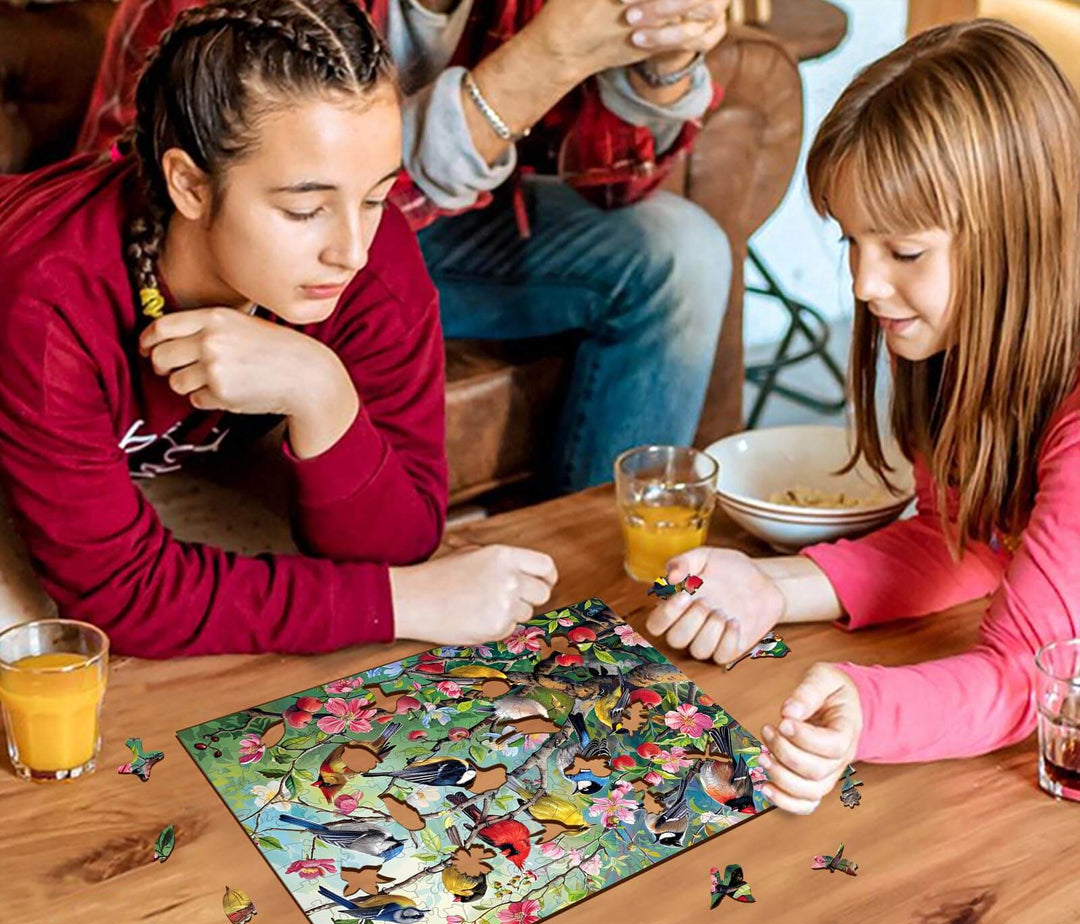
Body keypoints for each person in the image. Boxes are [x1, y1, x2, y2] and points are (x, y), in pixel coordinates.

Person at [0, 0, 557, 658]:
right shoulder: (49, 299)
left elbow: (402, 538)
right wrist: (407, 601)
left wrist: (321, 391)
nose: (351, 249)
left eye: (375, 197)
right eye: (305, 209)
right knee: (35, 653)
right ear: (189, 185)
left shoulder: (370, 256)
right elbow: (122, 598)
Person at [646, 19, 1080, 812]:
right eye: (852, 241)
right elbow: (965, 538)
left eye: (904, 252)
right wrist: (772, 588)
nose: (862, 283)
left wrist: (867, 709)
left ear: (1022, 237)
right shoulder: (965, 346)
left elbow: (1032, 673)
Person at [77, 0, 734, 492]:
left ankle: (609, 572)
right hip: (234, 248)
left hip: (436, 224)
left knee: (681, 252)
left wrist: (660, 64)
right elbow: (155, 206)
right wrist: (544, 59)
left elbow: (615, 188)